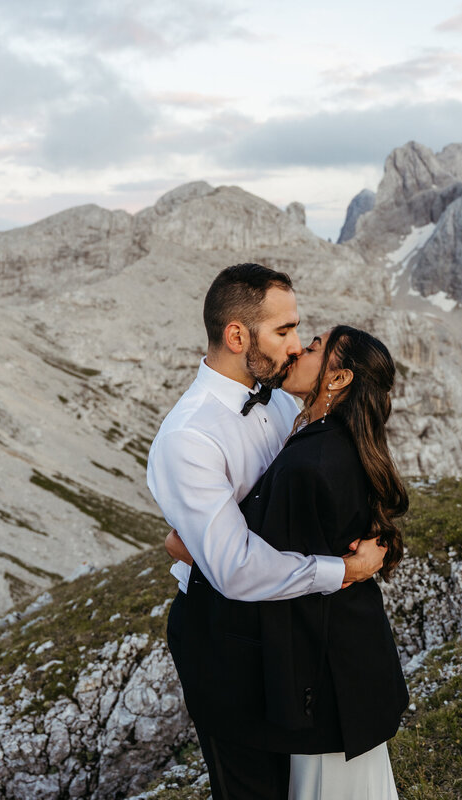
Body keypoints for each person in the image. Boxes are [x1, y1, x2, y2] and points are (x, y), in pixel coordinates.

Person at [146, 264, 388, 800]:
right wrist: (344, 570)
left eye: (300, 331)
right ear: (237, 336)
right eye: (284, 332)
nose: (298, 347)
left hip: (286, 634)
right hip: (223, 637)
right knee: (251, 787)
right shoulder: (189, 437)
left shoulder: (281, 403)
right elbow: (232, 567)